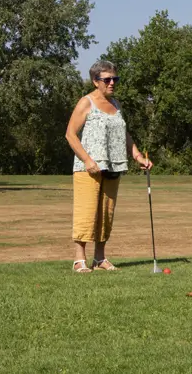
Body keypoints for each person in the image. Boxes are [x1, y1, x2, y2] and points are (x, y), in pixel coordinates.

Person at [65, 60, 152, 273]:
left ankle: (100, 258)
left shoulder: (117, 105)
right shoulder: (86, 102)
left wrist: (138, 156)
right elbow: (70, 134)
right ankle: (79, 260)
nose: (112, 83)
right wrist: (87, 160)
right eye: (107, 79)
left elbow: (124, 135)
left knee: (106, 213)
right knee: (87, 212)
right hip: (89, 168)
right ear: (96, 82)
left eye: (115, 79)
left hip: (114, 165)